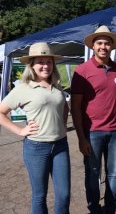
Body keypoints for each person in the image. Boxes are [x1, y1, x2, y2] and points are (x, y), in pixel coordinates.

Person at [0, 42, 70, 214]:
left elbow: (64, 106)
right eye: (40, 61)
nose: (45, 66)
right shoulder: (23, 88)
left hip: (61, 145)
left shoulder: (57, 86)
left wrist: (61, 124)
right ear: (31, 65)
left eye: (49, 61)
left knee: (64, 195)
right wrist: (20, 130)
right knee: (40, 196)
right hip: (36, 147)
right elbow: (1, 112)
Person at [71, 25, 116, 214]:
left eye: (107, 43)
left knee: (114, 173)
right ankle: (94, 207)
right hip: (92, 132)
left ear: (112, 46)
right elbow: (75, 107)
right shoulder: (82, 71)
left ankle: (110, 207)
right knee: (93, 174)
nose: (103, 46)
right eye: (99, 43)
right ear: (93, 46)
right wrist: (81, 137)